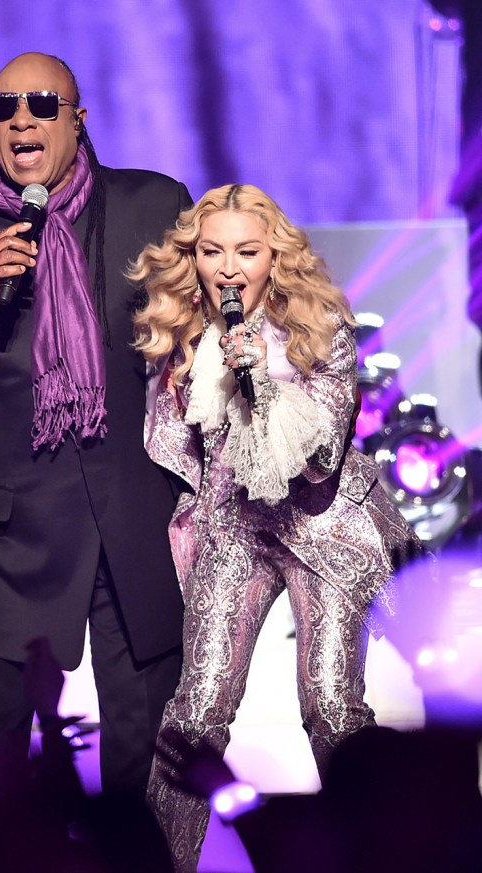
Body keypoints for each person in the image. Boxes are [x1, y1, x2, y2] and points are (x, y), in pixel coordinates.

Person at [0, 51, 192, 799]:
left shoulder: (154, 209)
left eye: (40, 103)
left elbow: (206, 324)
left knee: (149, 763)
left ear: (77, 120)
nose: (21, 117)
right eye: (4, 107)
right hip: (6, 542)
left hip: (133, 523)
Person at [129, 184, 424, 871]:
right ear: (194, 257)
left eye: (247, 251)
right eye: (212, 251)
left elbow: (320, 462)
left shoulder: (319, 326)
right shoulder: (184, 336)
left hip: (322, 527)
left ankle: (382, 855)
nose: (229, 268)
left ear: (274, 256)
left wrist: (265, 379)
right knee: (195, 710)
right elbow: (180, 451)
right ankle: (154, 864)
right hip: (236, 525)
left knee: (329, 704)